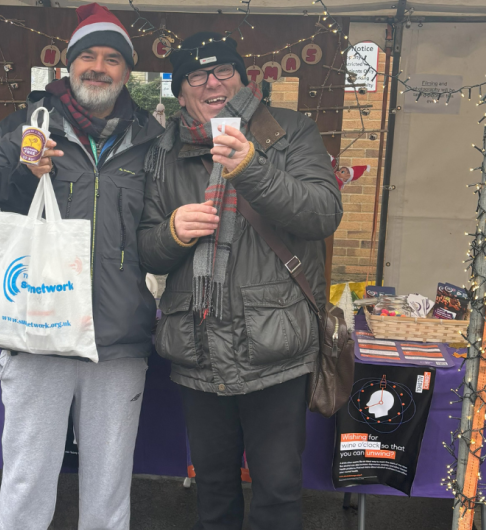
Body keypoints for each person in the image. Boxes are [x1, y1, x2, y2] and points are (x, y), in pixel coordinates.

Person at [0, 4, 164, 529]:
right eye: (88, 56)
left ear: (127, 72)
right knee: (27, 483)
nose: (99, 67)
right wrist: (26, 175)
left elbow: (160, 227)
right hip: (37, 335)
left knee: (109, 490)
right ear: (70, 64)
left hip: (118, 339)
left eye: (113, 59)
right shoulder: (26, 125)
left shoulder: (150, 139)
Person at [137, 32, 343, 530]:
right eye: (196, 75)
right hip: (197, 346)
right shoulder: (163, 152)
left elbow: (323, 213)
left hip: (274, 345)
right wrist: (171, 234)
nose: (213, 83)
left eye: (224, 70)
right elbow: (145, 248)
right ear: (180, 92)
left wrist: (251, 168)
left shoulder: (291, 132)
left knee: (276, 491)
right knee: (212, 489)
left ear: (244, 78)